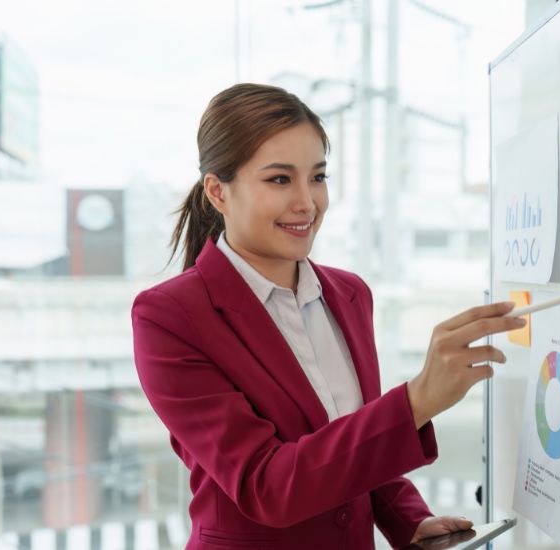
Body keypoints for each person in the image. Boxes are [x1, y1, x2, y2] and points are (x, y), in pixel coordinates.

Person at [131, 83, 526, 550]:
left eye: (317, 177)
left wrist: (408, 520)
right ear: (218, 192)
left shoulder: (349, 294)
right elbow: (265, 485)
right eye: (280, 179)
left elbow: (352, 442)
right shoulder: (170, 316)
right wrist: (417, 399)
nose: (307, 202)